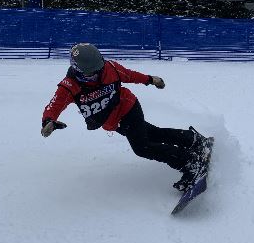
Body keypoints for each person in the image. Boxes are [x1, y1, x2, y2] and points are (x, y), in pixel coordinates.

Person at [41, 43, 209, 192]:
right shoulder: (69, 86)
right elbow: (54, 105)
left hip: (128, 107)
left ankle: (190, 163)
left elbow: (129, 75)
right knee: (153, 134)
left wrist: (151, 80)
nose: (96, 75)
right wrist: (48, 121)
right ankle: (192, 140)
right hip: (113, 122)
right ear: (77, 70)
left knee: (142, 147)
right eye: (90, 74)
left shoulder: (109, 68)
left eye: (98, 70)